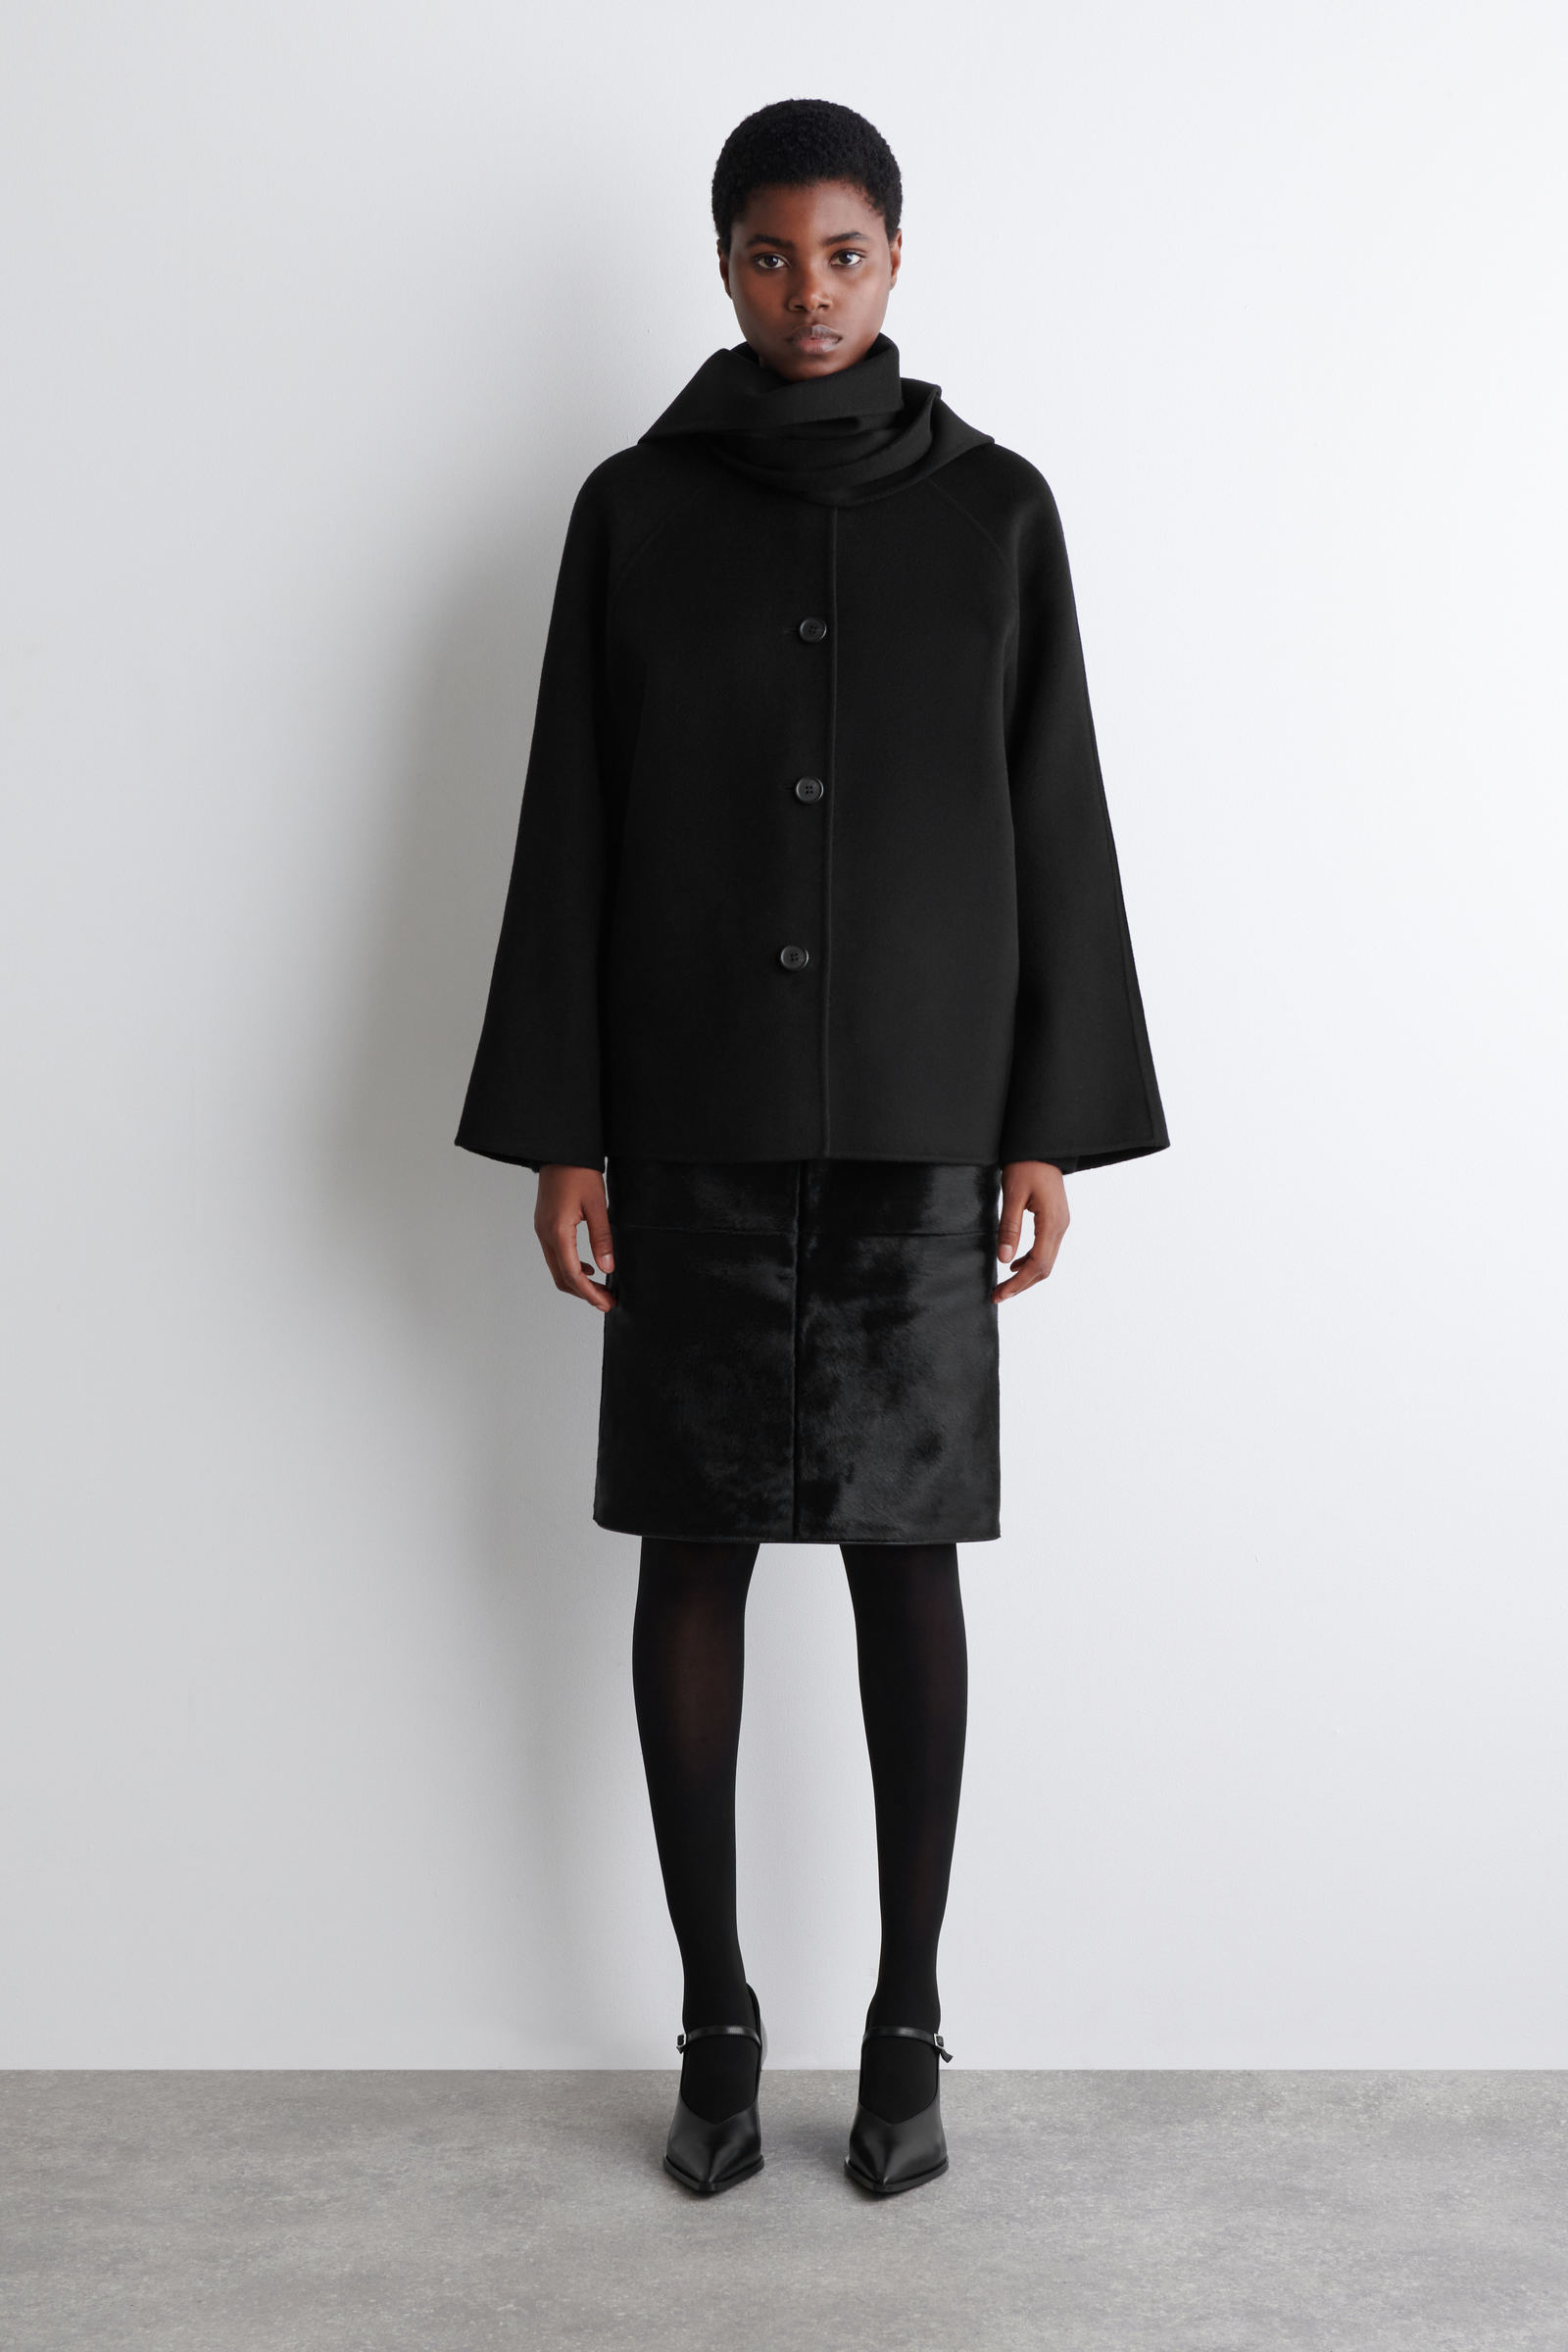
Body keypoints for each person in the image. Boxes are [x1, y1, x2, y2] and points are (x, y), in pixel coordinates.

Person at [457, 97, 1168, 2197]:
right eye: (769, 255)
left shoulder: (997, 512)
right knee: (689, 1556)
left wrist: (1045, 1126)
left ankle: (907, 2019)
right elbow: (571, 817)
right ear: (720, 263)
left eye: (843, 253)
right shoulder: (633, 511)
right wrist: (562, 1131)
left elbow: (1053, 812)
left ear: (896, 258)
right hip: (686, 1118)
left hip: (921, 1131)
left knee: (902, 1562)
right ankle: (714, 2022)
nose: (807, 294)